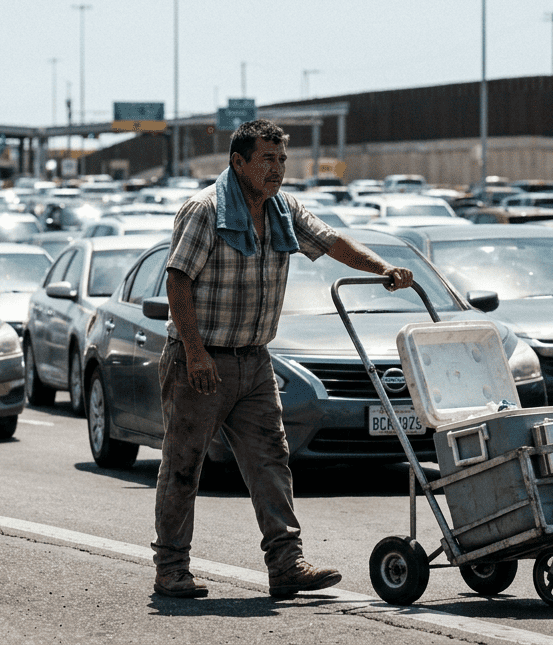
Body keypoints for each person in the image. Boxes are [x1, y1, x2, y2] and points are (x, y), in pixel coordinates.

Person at [152, 119, 416, 599]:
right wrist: (193, 352)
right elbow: (177, 281)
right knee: (183, 466)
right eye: (267, 160)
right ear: (239, 162)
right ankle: (171, 569)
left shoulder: (282, 209)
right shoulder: (205, 210)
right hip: (202, 361)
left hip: (254, 362)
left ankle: (287, 563)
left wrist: (382, 269)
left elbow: (332, 241)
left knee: (271, 461)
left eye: (282, 160)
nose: (277, 170)